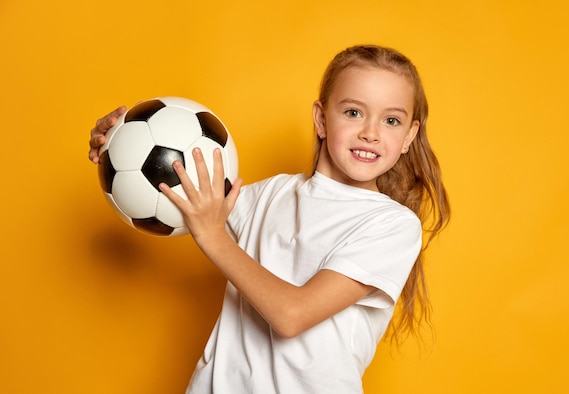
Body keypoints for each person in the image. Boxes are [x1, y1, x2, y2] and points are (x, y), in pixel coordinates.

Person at [88, 44, 450, 393]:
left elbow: (292, 316)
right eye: (353, 112)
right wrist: (120, 143)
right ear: (322, 119)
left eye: (391, 120)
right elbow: (177, 196)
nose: (370, 132)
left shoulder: (392, 225)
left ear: (409, 137)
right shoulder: (268, 195)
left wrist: (214, 236)